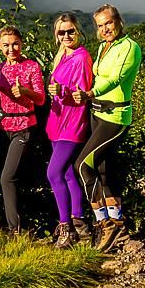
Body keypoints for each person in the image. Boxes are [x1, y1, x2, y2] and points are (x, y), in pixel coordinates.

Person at [73, 4, 142, 252]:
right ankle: (117, 221)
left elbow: (116, 79)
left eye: (108, 24)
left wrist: (90, 93)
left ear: (118, 22)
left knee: (82, 165)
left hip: (116, 115)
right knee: (104, 169)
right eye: (100, 26)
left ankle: (103, 222)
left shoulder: (129, 48)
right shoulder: (103, 47)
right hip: (97, 112)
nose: (105, 30)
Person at [45, 13, 94, 248]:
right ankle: (78, 223)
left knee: (53, 173)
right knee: (66, 174)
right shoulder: (62, 57)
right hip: (57, 122)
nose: (66, 35)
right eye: (61, 32)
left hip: (72, 123)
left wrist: (61, 93)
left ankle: (66, 227)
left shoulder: (81, 57)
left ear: (78, 31)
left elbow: (81, 95)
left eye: (70, 31)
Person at [0, 25, 45, 233]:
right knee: (7, 177)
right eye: (6, 45)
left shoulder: (31, 67)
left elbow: (40, 99)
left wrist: (24, 91)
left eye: (15, 44)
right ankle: (12, 221)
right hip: (1, 128)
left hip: (23, 127)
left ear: (21, 43)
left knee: (7, 177)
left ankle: (15, 229)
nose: (11, 49)